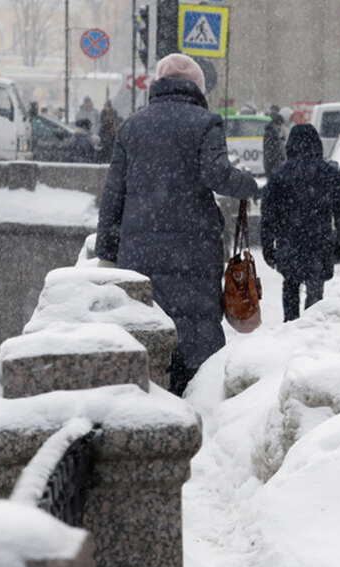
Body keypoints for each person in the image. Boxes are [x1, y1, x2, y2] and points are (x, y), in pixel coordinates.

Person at [95, 53, 257, 395]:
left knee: (148, 331)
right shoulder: (206, 123)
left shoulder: (132, 125)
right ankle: (195, 409)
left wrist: (108, 250)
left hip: (138, 253)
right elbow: (216, 175)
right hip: (193, 249)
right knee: (195, 333)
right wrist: (248, 184)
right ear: (198, 87)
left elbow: (113, 195)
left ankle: (149, 407)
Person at [260, 124, 340, 322]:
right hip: (319, 242)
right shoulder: (329, 174)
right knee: (316, 288)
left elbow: (268, 214)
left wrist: (268, 244)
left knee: (290, 284)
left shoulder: (279, 175)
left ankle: (291, 323)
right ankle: (312, 325)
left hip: (290, 242)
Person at [262, 105, 285, 175]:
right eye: (280, 124)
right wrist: (279, 158)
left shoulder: (272, 133)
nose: (280, 127)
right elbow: (272, 150)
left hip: (271, 162)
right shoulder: (271, 134)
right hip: (272, 163)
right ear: (276, 124)